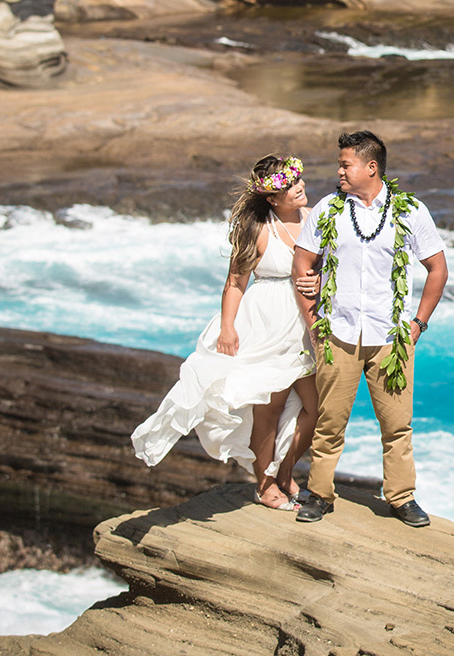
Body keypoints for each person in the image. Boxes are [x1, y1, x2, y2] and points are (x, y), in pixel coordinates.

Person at [131, 154, 321, 511]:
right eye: (290, 185)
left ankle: (285, 470)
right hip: (269, 320)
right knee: (270, 405)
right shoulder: (260, 229)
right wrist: (228, 327)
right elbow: (235, 282)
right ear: (272, 198)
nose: (300, 187)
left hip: (306, 318)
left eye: (299, 180)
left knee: (316, 408)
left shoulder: (314, 220)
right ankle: (265, 483)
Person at [290, 130, 448, 526]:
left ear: (371, 168)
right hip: (338, 333)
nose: (339, 171)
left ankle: (401, 497)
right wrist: (314, 323)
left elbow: (437, 268)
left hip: (391, 338)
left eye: (346, 164)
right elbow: (302, 264)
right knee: (329, 422)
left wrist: (417, 324)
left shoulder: (410, 211)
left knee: (397, 425)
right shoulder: (327, 209)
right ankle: (319, 495)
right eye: (341, 164)